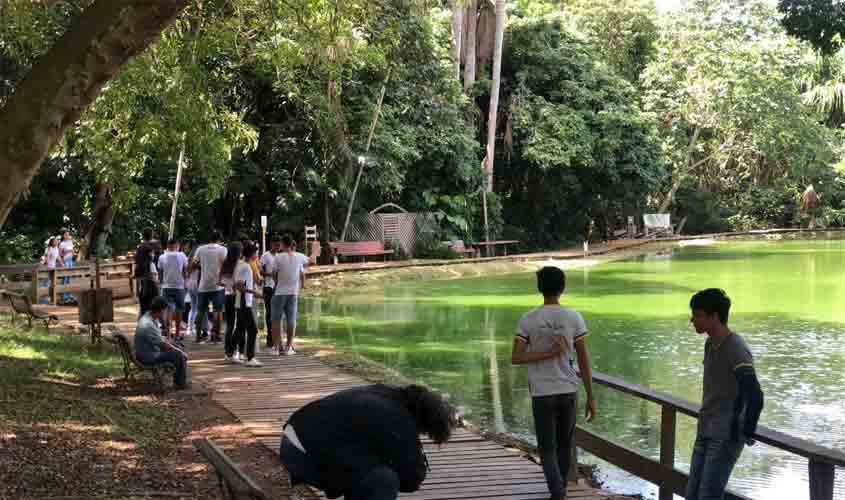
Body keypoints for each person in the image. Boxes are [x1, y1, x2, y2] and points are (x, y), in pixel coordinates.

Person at [279, 384, 455, 500]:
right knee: (384, 479)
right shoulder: (398, 419)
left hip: (296, 436)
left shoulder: (384, 393)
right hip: (301, 453)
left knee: (365, 467)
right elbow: (412, 478)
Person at [511, 266, 596, 500]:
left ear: (540, 288)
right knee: (563, 446)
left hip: (542, 392)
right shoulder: (573, 317)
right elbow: (584, 360)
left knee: (547, 449)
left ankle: (557, 492)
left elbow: (516, 357)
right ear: (563, 287)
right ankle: (560, 491)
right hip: (568, 390)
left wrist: (544, 354)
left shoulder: (528, 319)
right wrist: (590, 395)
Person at [685, 289, 764, 500]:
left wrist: (747, 429)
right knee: (692, 493)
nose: (692, 320)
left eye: (698, 315)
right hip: (705, 429)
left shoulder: (736, 348)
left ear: (715, 317)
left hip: (725, 436)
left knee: (708, 495)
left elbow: (755, 394)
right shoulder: (710, 344)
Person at [135, 296, 189, 389]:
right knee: (177, 355)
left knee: (177, 347)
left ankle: (180, 380)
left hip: (148, 351)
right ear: (161, 310)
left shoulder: (149, 317)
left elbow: (160, 339)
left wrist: (174, 345)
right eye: (165, 311)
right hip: (147, 355)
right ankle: (180, 384)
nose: (165, 313)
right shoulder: (148, 324)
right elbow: (163, 345)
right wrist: (180, 352)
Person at [271, 234, 309, 355]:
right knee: (291, 320)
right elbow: (310, 262)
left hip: (280, 292)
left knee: (276, 320)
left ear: (282, 244)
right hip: (293, 293)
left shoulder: (278, 257)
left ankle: (277, 347)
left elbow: (273, 273)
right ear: (292, 244)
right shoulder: (300, 256)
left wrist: (277, 283)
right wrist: (314, 251)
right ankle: (288, 347)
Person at [192, 230, 227, 344]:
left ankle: (198, 336)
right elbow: (226, 265)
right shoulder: (222, 249)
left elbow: (193, 263)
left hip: (203, 285)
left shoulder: (201, 249)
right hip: (218, 285)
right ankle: (216, 336)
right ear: (219, 239)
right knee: (218, 311)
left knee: (201, 311)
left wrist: (202, 266)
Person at [233, 242, 262, 366]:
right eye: (256, 253)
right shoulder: (245, 267)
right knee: (253, 330)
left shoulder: (240, 264)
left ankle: (231, 352)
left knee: (240, 329)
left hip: (242, 301)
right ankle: (250, 358)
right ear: (252, 254)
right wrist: (255, 292)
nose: (257, 255)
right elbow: (239, 286)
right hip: (244, 302)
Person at [157, 237, 188, 340]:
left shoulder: (162, 257)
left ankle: (169, 335)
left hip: (166, 287)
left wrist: (161, 284)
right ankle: (178, 334)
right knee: (179, 310)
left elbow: (160, 273)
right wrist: (185, 282)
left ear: (168, 246)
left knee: (167, 310)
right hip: (179, 286)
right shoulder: (182, 255)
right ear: (176, 245)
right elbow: (185, 271)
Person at [221, 242, 242, 362]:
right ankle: (234, 351)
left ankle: (227, 351)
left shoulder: (225, 263)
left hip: (227, 295)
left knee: (229, 325)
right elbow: (238, 283)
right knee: (238, 324)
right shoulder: (238, 265)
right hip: (236, 296)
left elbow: (220, 281)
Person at [260, 240, 280, 347]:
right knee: (269, 313)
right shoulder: (265, 256)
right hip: (268, 287)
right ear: (272, 244)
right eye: (276, 245)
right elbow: (260, 271)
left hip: (277, 287)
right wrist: (270, 274)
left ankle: (276, 337)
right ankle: (270, 339)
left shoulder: (279, 256)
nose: (277, 247)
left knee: (277, 314)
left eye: (279, 246)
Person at [136, 241, 159, 318]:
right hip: (151, 291)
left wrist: (137, 292)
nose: (154, 255)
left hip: (142, 292)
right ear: (149, 254)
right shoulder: (151, 264)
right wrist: (158, 289)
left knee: (143, 312)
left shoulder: (139, 266)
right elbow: (154, 279)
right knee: (151, 312)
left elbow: (138, 280)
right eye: (152, 253)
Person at [58, 231, 75, 304]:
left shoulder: (70, 242)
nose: (67, 236)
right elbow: (59, 254)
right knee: (65, 277)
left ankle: (69, 294)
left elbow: (73, 251)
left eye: (68, 234)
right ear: (63, 236)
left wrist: (73, 252)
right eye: (65, 235)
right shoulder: (62, 243)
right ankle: (64, 296)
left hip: (71, 260)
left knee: (69, 277)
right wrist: (66, 252)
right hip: (65, 260)